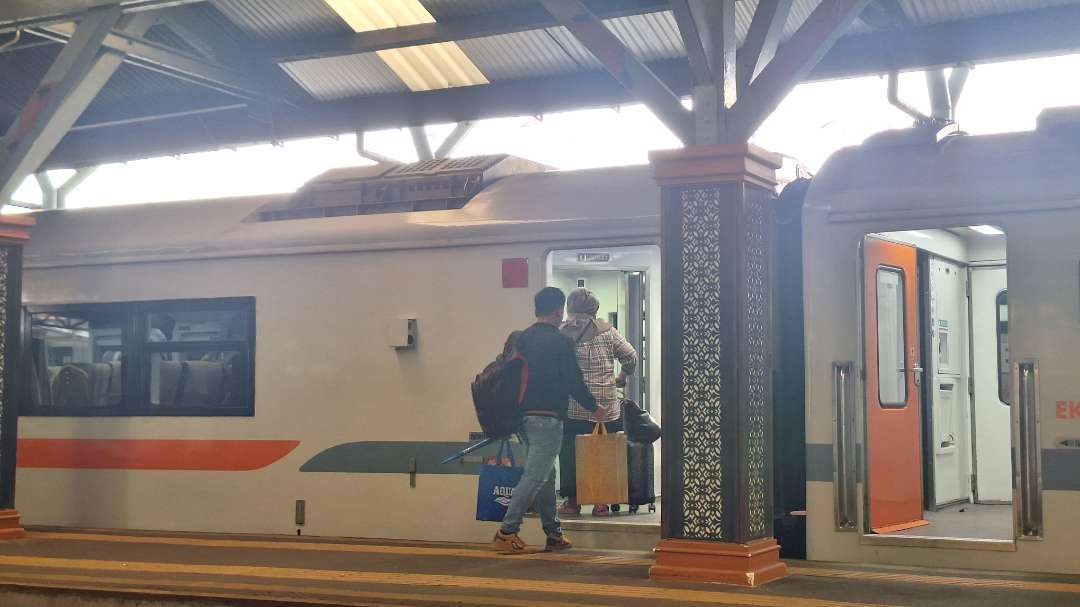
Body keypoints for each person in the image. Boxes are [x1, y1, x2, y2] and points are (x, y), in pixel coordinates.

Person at [493, 287, 597, 554]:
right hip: (547, 418)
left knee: (546, 475)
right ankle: (507, 531)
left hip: (522, 420)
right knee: (535, 476)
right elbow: (573, 380)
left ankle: (553, 534)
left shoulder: (523, 338)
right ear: (558, 310)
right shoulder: (561, 342)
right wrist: (594, 407)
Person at [557, 288, 639, 516]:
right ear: (595, 308)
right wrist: (623, 376)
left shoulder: (563, 332)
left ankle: (573, 502)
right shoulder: (608, 331)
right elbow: (631, 356)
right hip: (607, 408)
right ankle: (601, 502)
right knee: (603, 453)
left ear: (570, 307)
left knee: (571, 454)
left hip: (574, 405)